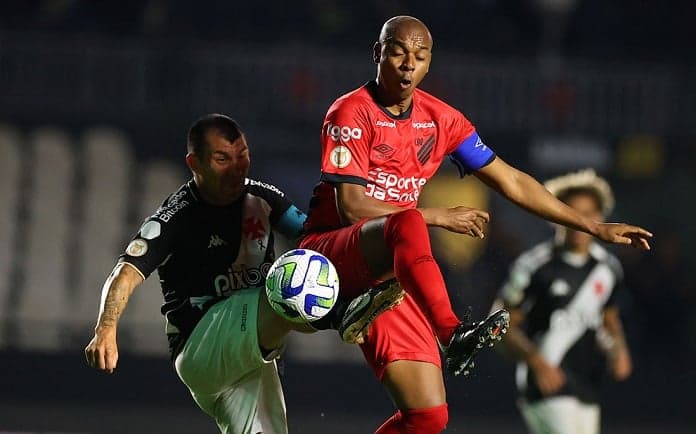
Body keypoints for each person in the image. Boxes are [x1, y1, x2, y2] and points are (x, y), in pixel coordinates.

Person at [299, 16, 651, 434]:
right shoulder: (350, 112)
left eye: (420, 56)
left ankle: (398, 316)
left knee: (428, 418)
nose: (408, 64)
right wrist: (434, 216)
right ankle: (452, 334)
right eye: (398, 52)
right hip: (332, 252)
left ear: (430, 63)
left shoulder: (442, 120)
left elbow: (513, 181)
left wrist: (593, 227)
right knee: (409, 224)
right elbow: (354, 208)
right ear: (378, 54)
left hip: (389, 273)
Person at [84, 114, 402, 434]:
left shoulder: (261, 198)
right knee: (292, 282)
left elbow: (317, 240)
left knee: (310, 264)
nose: (238, 168)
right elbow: (125, 272)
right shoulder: (177, 216)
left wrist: (365, 249)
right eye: (223, 158)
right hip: (202, 343)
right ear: (195, 163)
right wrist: (106, 328)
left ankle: (347, 305)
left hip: (249, 353)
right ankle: (343, 314)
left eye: (242, 155)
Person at [491, 169, 633, 434]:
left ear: (600, 217)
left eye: (589, 213)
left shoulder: (608, 268)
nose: (581, 222)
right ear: (556, 216)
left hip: (587, 385)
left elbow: (608, 317)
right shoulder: (534, 266)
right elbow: (500, 323)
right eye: (572, 213)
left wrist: (620, 350)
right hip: (546, 385)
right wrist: (536, 361)